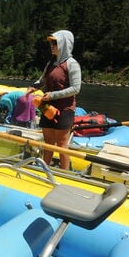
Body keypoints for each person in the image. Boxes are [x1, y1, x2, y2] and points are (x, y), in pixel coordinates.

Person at [27, 29, 81, 169]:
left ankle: (64, 175)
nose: (52, 46)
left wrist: (53, 95)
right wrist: (34, 86)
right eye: (51, 43)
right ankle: (45, 169)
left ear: (64, 44)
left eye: (55, 43)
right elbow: (42, 80)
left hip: (64, 109)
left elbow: (76, 88)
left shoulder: (72, 64)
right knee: (48, 142)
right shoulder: (51, 63)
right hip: (47, 108)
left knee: (62, 145)